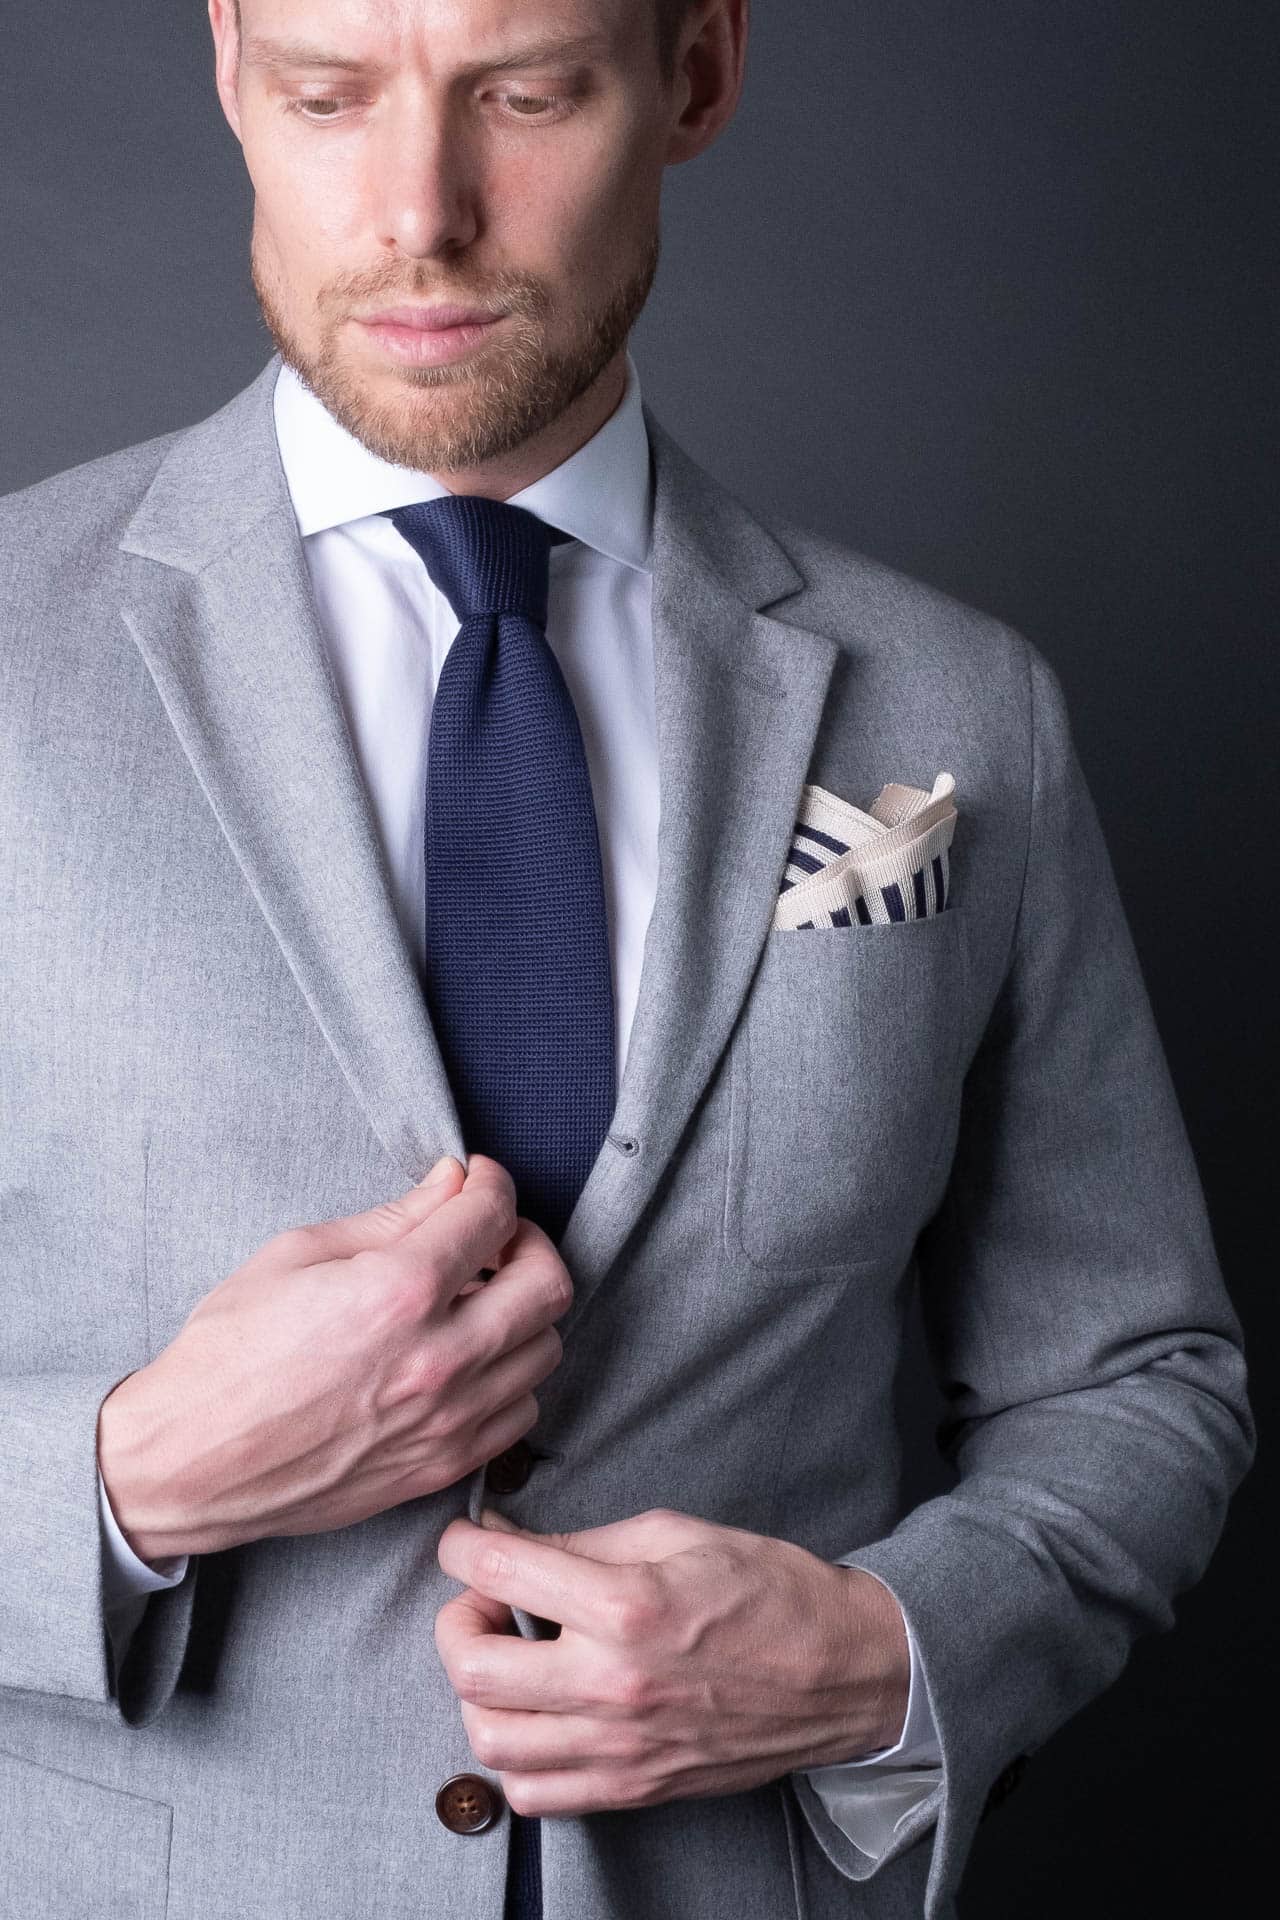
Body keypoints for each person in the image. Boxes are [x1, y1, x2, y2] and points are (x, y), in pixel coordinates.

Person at [0, 2, 1254, 1917]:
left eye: (525, 93)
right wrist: (132, 1482)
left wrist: (880, 1656)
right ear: (233, 70)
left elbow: (1139, 1374)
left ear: (697, 76)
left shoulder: (961, 707)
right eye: (330, 96)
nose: (422, 212)